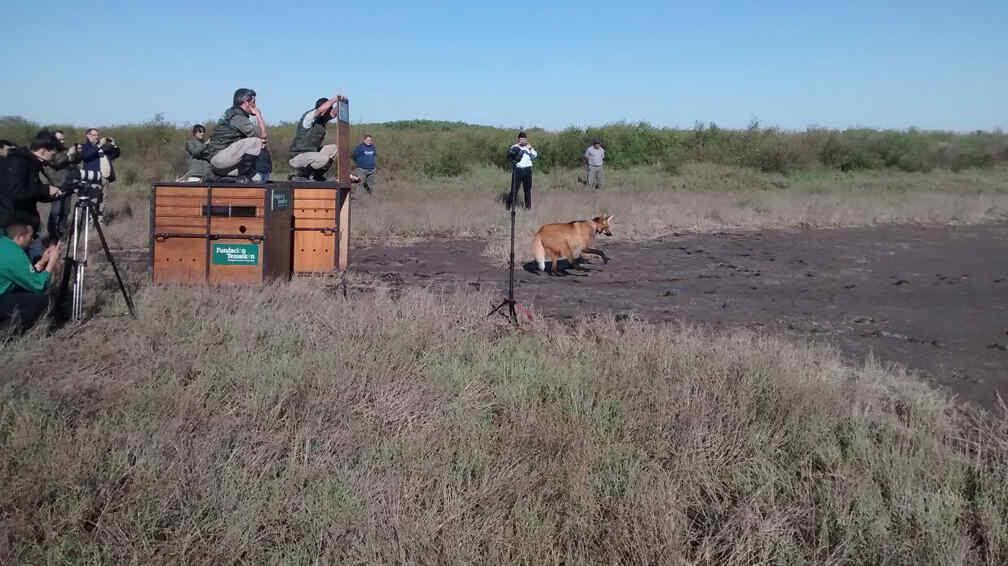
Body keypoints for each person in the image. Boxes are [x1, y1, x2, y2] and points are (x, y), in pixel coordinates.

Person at [0, 132, 63, 262]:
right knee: (29, 268)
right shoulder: (19, 162)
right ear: (43, 150)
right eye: (52, 153)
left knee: (35, 264)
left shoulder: (31, 163)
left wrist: (52, 194)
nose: (53, 157)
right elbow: (16, 191)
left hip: (26, 225)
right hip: (14, 228)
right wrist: (45, 189)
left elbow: (32, 192)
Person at [0, 223, 61, 332]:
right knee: (44, 301)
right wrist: (52, 262)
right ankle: (7, 332)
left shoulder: (4, 244)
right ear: (20, 237)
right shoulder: (15, 254)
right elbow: (39, 287)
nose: (32, 240)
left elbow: (25, 277)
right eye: (30, 236)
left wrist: (42, 263)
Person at [205, 88, 267, 183]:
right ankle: (243, 174)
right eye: (253, 102)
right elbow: (263, 135)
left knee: (259, 178)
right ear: (246, 103)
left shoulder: (234, 114)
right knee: (256, 141)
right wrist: (258, 115)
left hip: (224, 162)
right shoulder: (237, 117)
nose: (255, 105)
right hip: (220, 158)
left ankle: (221, 178)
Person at [288, 95, 344, 181]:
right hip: (298, 155)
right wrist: (336, 99)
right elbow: (321, 110)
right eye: (327, 110)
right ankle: (301, 174)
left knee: (334, 148)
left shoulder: (322, 119)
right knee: (324, 159)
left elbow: (333, 113)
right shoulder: (309, 117)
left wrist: (341, 102)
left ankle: (317, 176)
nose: (328, 113)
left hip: (312, 153)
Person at [43, 130, 82, 240]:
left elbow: (74, 162)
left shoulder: (63, 151)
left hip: (67, 185)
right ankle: (52, 235)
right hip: (56, 185)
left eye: (63, 139)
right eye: (60, 139)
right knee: (56, 211)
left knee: (65, 211)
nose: (62, 141)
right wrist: (68, 154)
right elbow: (56, 163)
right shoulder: (50, 151)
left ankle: (62, 233)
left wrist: (77, 153)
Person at [80, 128, 120, 219]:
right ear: (88, 136)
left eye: (97, 135)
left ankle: (100, 221)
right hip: (93, 178)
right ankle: (90, 222)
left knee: (103, 201)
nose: (96, 137)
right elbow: (86, 156)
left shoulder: (103, 148)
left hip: (104, 178)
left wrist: (114, 144)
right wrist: (99, 146)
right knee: (93, 200)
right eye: (94, 135)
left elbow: (116, 154)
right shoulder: (85, 147)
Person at [506, 131, 537, 210]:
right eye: (521, 139)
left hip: (527, 170)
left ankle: (528, 207)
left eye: (524, 139)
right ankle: (509, 206)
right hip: (518, 170)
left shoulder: (530, 148)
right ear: (518, 139)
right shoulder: (514, 147)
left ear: (526, 139)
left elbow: (535, 156)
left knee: (527, 190)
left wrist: (529, 149)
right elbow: (509, 157)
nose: (522, 141)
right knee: (514, 189)